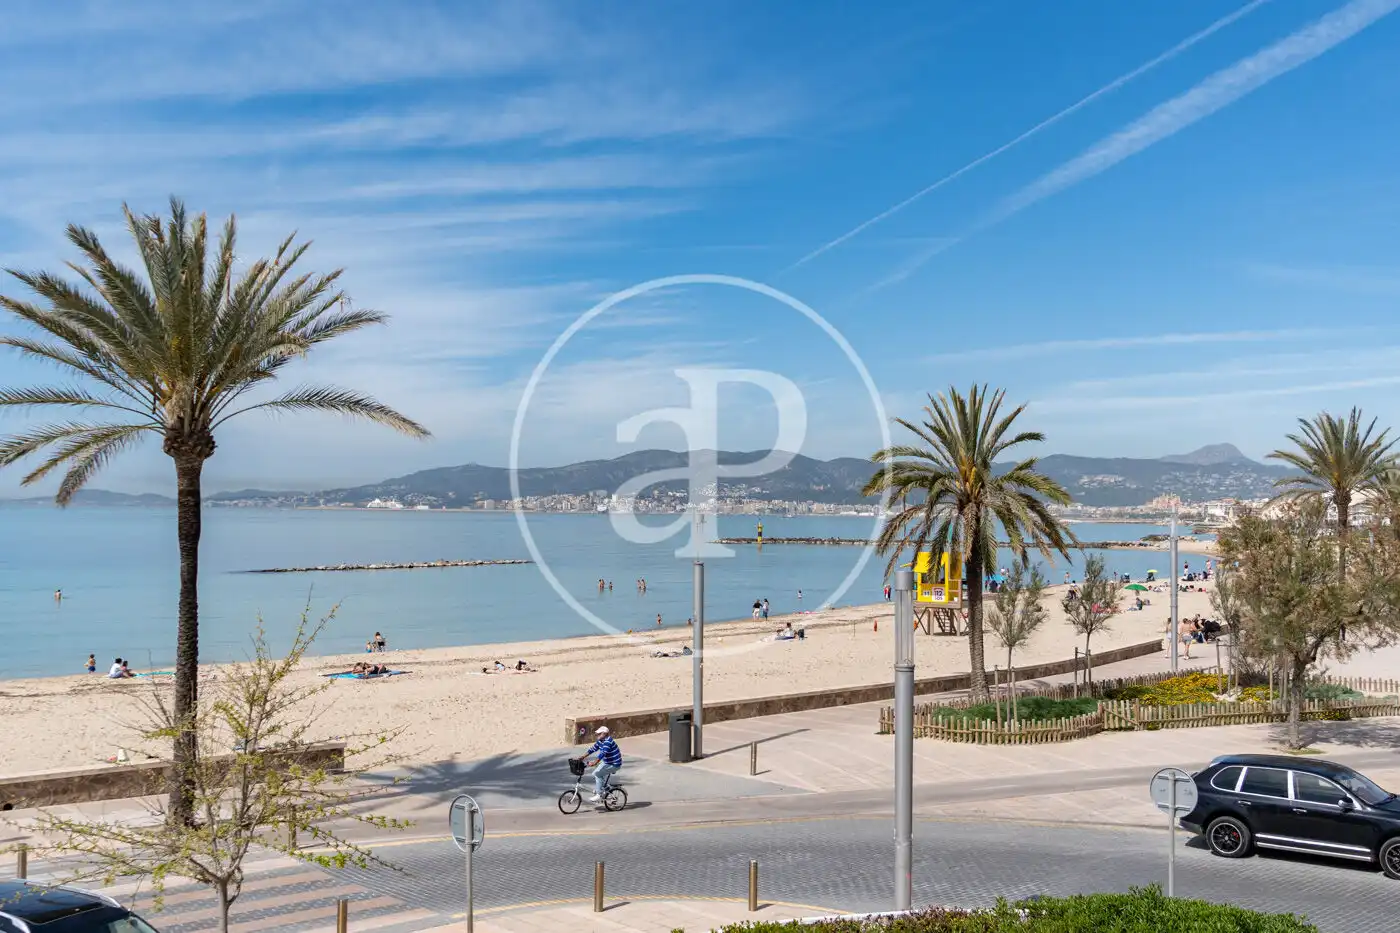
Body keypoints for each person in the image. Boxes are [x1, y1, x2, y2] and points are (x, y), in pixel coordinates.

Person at [584, 725, 623, 801]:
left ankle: (599, 794)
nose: (597, 735)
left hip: (614, 764)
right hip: (607, 762)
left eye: (599, 734)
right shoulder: (600, 741)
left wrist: (594, 763)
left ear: (604, 734)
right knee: (595, 773)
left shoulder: (608, 741)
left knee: (598, 774)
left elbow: (603, 753)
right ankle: (606, 788)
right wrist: (582, 757)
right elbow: (592, 749)